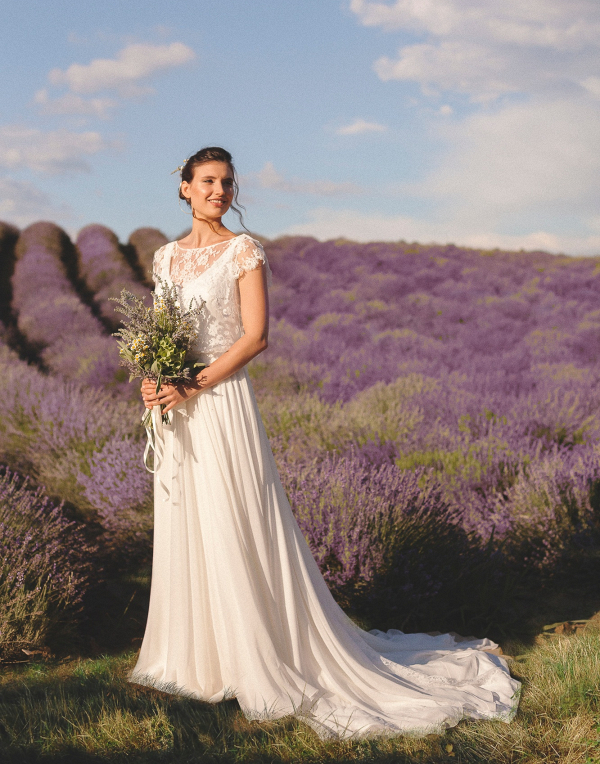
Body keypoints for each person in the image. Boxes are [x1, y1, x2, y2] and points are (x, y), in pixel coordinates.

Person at [130, 146, 520, 739]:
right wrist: (153, 379)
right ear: (183, 187)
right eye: (207, 182)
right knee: (188, 518)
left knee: (237, 520)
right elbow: (160, 334)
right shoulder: (164, 258)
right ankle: (195, 658)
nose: (219, 192)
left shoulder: (244, 251)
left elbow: (256, 337)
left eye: (227, 183)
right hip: (177, 408)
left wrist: (192, 384)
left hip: (221, 403)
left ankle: (256, 655)